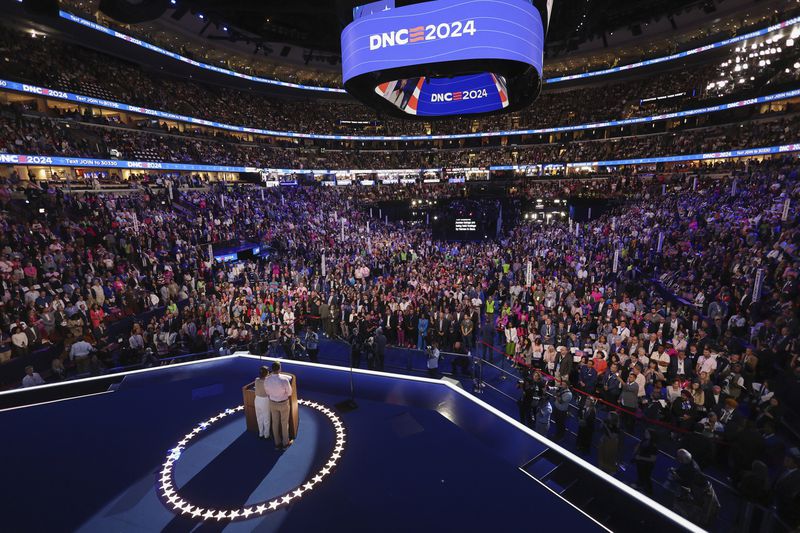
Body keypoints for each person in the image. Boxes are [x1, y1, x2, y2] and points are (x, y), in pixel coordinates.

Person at [265, 361, 293, 450]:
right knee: (284, 423)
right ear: (280, 368)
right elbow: (290, 393)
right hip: (283, 403)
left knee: (275, 423)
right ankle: (285, 443)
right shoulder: (284, 380)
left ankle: (277, 443)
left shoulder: (267, 379)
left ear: (272, 369)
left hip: (272, 403)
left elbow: (267, 392)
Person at [633, 429, 659, 495]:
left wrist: (640, 457)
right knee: (641, 475)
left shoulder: (653, 446)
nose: (645, 434)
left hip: (647, 465)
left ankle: (648, 492)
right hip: (640, 463)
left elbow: (653, 459)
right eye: (645, 432)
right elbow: (637, 449)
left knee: (646, 477)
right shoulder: (643, 441)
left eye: (647, 433)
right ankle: (639, 486)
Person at [254, 366, 271, 439]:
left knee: (259, 417)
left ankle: (261, 433)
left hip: (257, 400)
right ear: (267, 373)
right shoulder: (267, 381)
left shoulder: (256, 380)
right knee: (266, 418)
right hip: (264, 400)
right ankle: (266, 435)